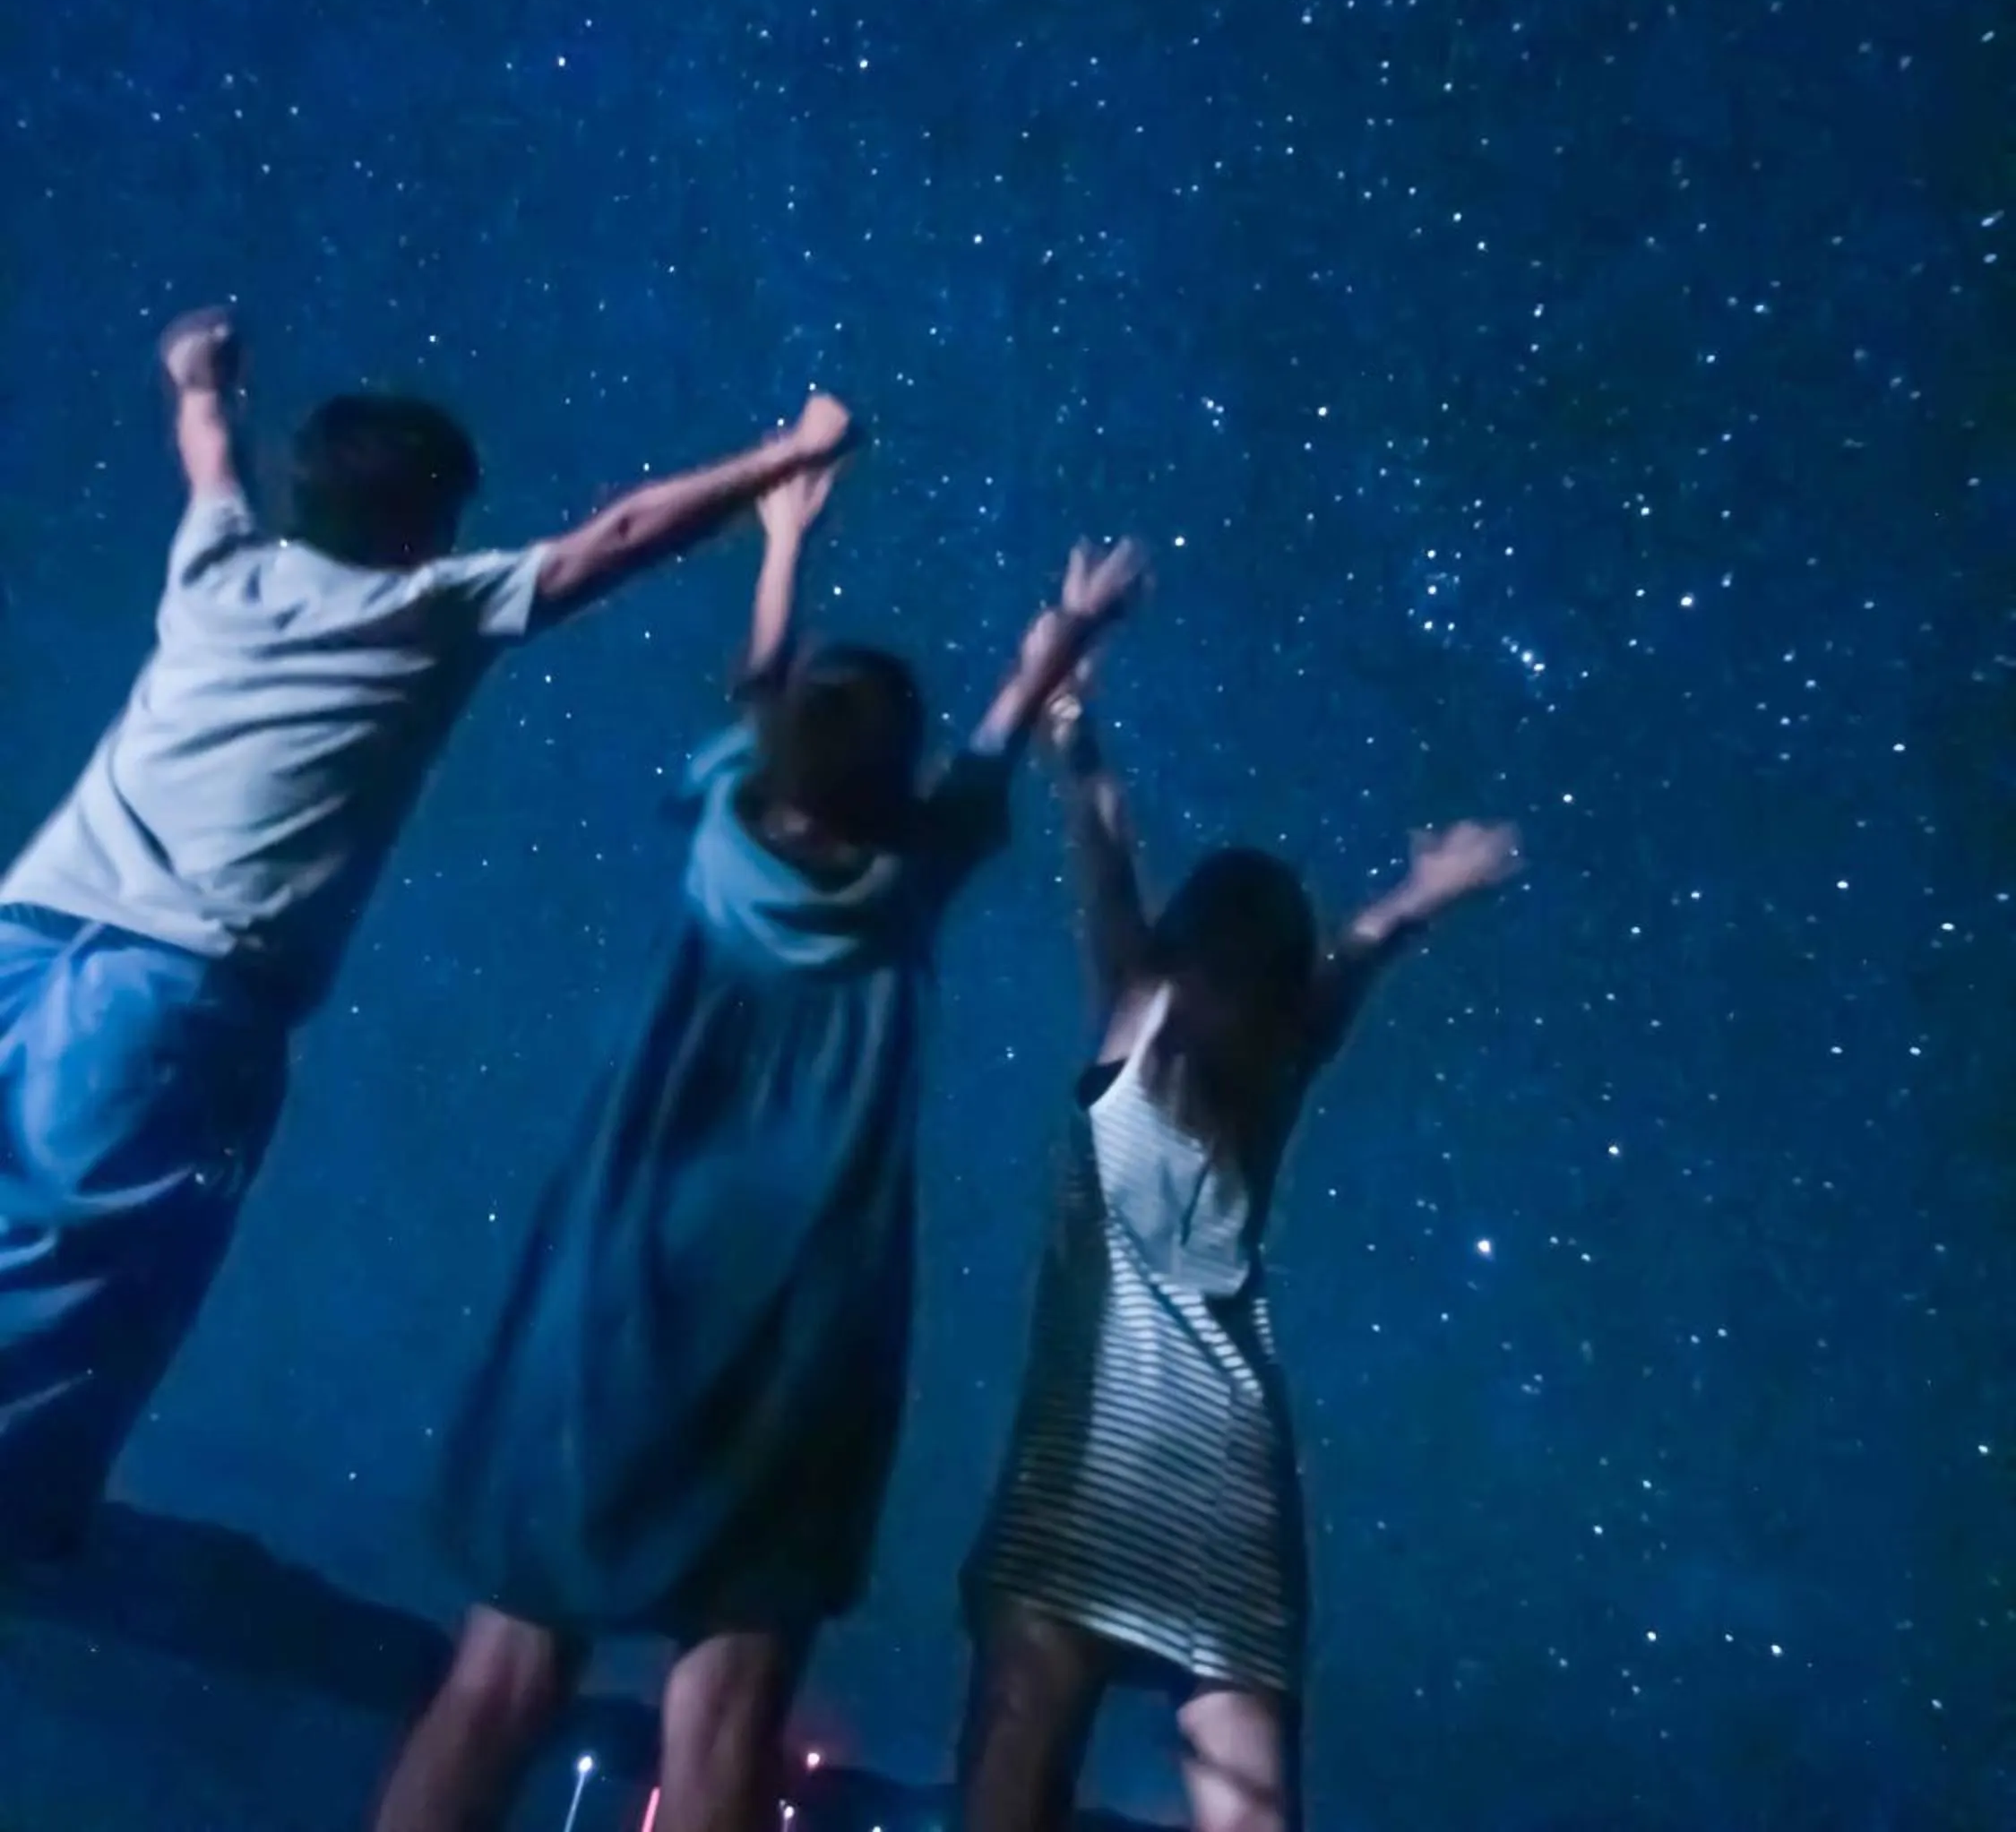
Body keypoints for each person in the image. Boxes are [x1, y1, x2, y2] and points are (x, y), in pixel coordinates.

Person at [0, 304, 855, 1564]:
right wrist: (790, 454)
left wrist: (198, 379)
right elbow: (613, 539)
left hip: (27, 937)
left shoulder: (217, 568)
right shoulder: (432, 611)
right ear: (426, 527)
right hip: (173, 990)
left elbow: (207, 450)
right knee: (69, 1305)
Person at [371, 500, 1149, 1832]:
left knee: (499, 1676)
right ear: (893, 777)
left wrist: (783, 539)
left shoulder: (720, 815)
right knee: (727, 1710)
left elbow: (756, 682)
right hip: (800, 1325)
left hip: (611, 1295)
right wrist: (1063, 639)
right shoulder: (916, 871)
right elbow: (999, 735)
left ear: (776, 750)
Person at [958, 621, 1522, 1832]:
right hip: (1227, 1470)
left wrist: (1076, 737)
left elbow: (1104, 860)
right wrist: (1430, 888)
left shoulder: (1133, 1020)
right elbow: (1356, 955)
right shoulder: (1276, 1061)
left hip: (1083, 1462)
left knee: (1009, 1784)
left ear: (1184, 947)